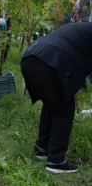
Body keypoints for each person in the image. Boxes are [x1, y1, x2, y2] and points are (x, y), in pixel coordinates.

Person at [21, 22, 92, 174]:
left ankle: (42, 149)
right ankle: (56, 161)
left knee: (51, 103)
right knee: (64, 107)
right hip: (50, 61)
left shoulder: (83, 29)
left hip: (30, 57)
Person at [73, 0, 92, 87]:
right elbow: (74, 13)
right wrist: (79, 22)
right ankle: (81, 84)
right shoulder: (82, 0)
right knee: (83, 56)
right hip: (84, 32)